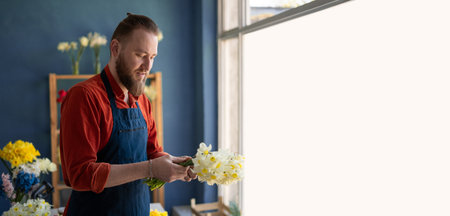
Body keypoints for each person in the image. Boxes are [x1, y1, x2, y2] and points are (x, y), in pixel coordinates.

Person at [59, 13, 196, 216]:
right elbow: (79, 175)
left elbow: (152, 153)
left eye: (152, 57)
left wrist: (174, 163)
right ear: (115, 48)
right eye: (140, 55)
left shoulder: (142, 101)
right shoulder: (84, 96)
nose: (148, 67)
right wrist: (150, 169)